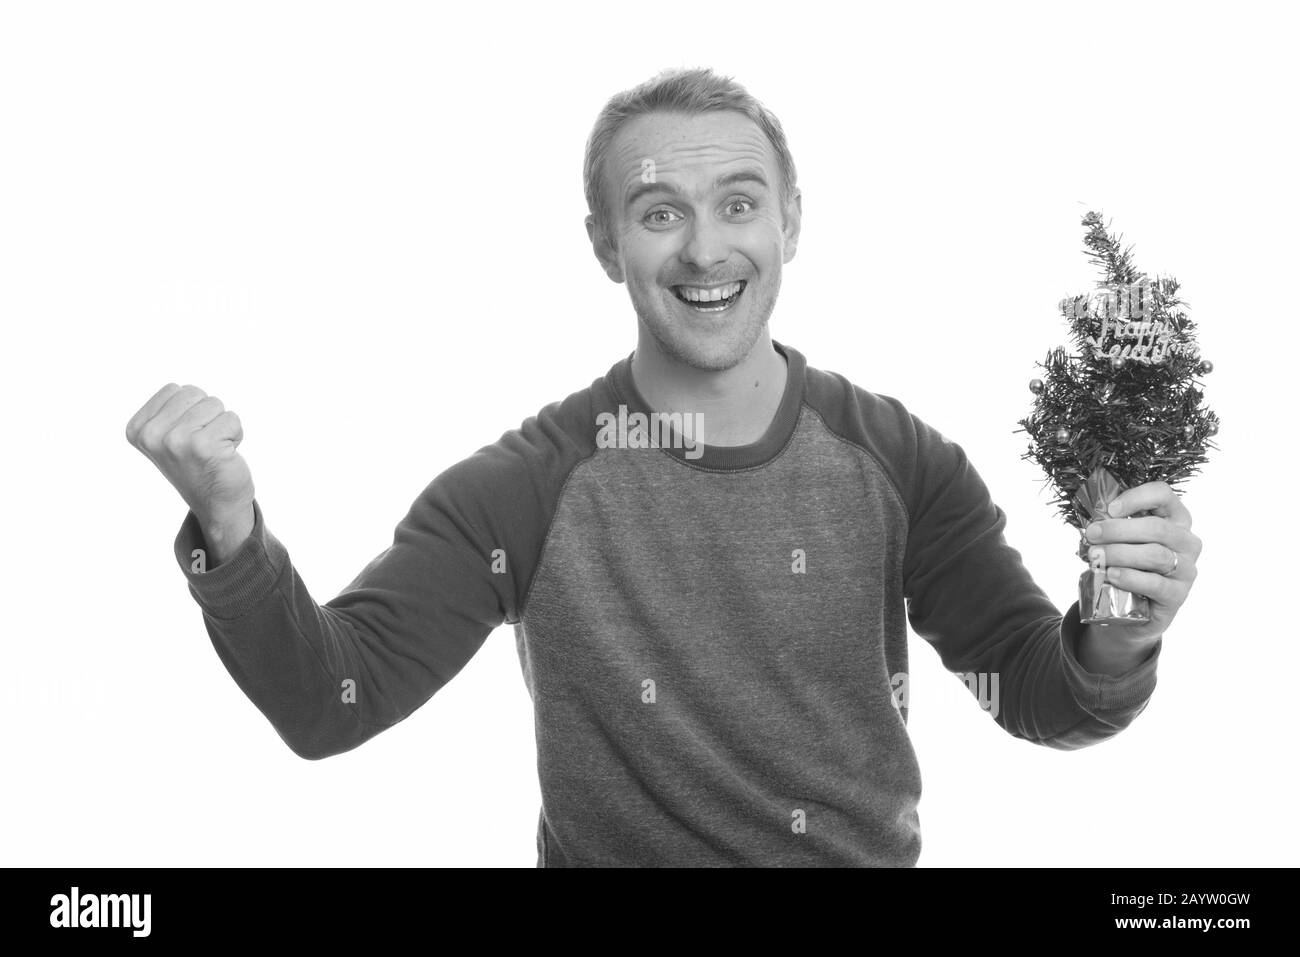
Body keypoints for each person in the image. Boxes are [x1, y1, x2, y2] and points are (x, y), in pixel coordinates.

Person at [124, 66, 1202, 867]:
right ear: (605, 244)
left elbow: (1040, 700)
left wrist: (1119, 637)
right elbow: (332, 703)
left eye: (738, 203)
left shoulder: (898, 460)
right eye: (658, 214)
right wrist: (230, 529)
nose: (703, 250)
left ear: (789, 221)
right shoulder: (522, 489)